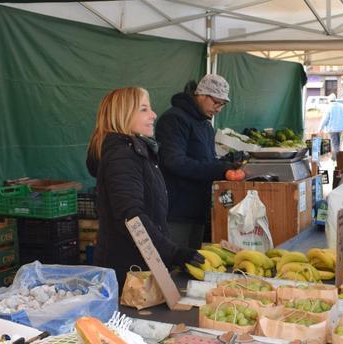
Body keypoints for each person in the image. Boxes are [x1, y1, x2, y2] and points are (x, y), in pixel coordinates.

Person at [87, 87, 204, 289]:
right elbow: (131, 217)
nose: (153, 115)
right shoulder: (122, 157)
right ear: (123, 115)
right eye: (144, 109)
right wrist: (173, 251)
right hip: (129, 273)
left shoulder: (136, 152)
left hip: (141, 267)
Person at [154, 74, 240, 249]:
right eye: (216, 102)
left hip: (198, 208)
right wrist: (221, 170)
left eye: (222, 104)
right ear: (201, 94)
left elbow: (205, 160)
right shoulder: (174, 120)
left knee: (191, 262)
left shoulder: (205, 125)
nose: (218, 109)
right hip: (176, 211)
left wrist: (226, 162)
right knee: (173, 264)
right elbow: (175, 162)